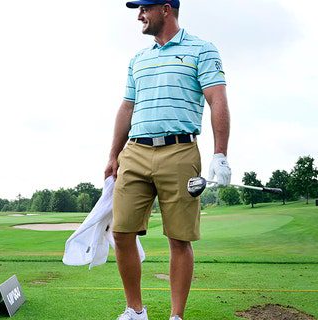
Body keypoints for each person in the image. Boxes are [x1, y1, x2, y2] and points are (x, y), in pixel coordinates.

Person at [103, 1, 231, 319]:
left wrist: (220, 155)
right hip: (135, 151)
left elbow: (217, 101)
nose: (138, 15)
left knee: (179, 238)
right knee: (121, 232)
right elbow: (127, 109)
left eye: (144, 8)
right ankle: (135, 310)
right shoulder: (138, 59)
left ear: (165, 9)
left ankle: (176, 316)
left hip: (180, 151)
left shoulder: (202, 50)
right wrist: (112, 154)